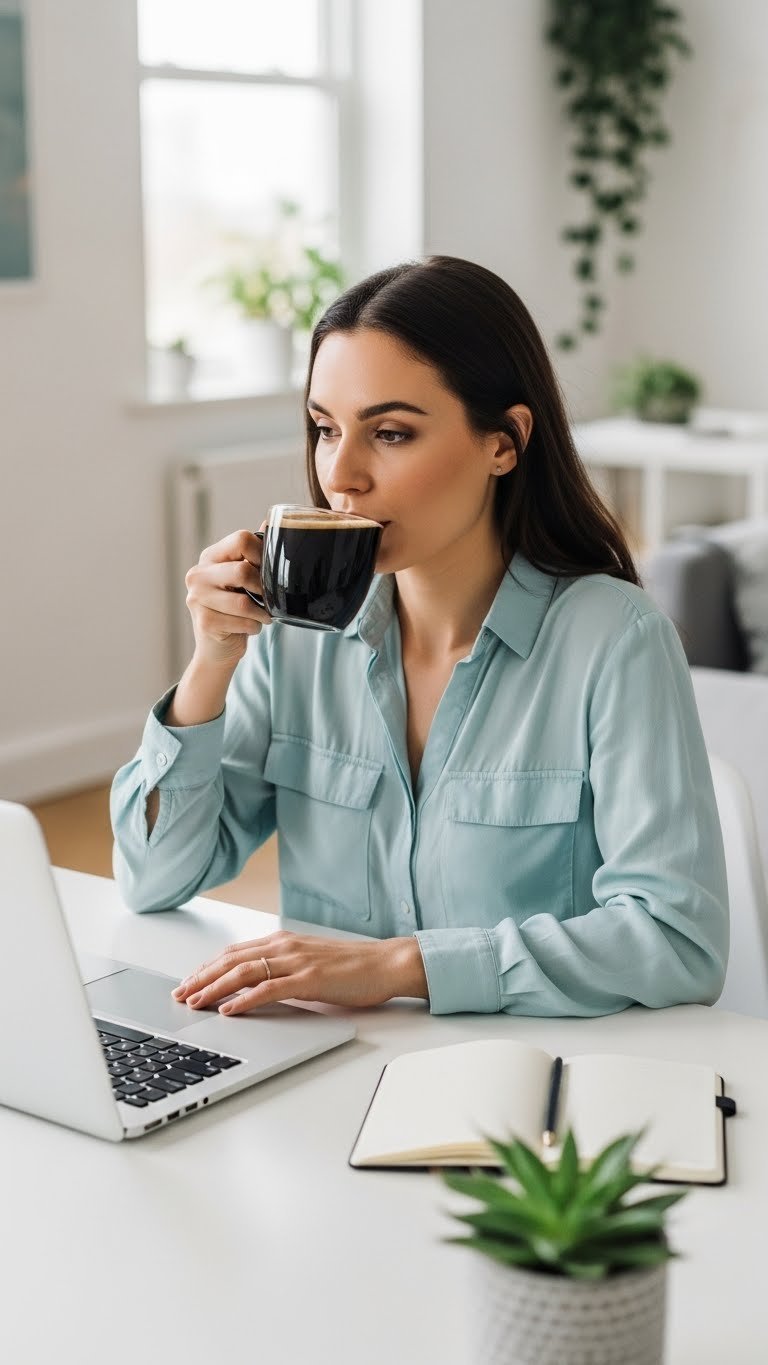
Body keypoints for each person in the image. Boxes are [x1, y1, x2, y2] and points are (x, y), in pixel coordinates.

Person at [110, 255, 728, 1020]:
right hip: (330, 1064)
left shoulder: (616, 641)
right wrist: (212, 660)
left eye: (391, 433)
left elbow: (677, 939)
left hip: (530, 1071)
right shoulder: (295, 639)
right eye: (325, 429)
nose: (341, 475)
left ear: (505, 442)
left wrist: (401, 966)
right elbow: (153, 877)